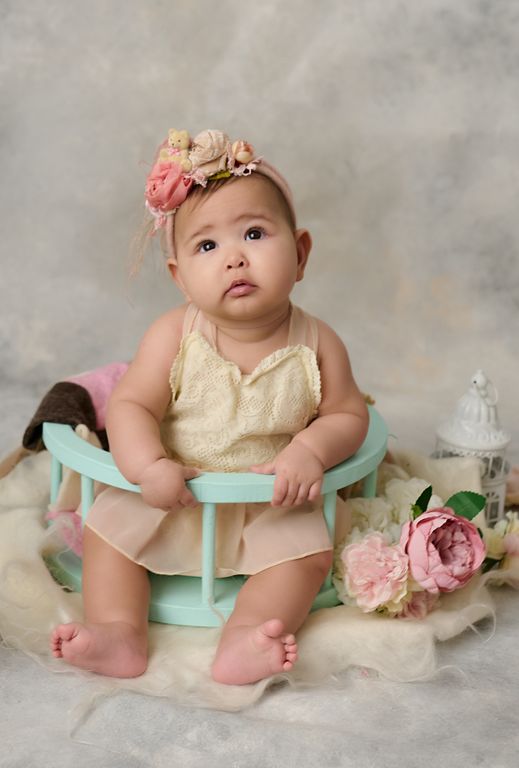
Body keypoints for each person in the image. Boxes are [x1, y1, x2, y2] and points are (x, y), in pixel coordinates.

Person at [50, 129, 369, 685]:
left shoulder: (319, 344)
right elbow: (130, 405)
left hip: (268, 502)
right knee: (108, 529)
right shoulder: (174, 334)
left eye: (254, 233)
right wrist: (148, 465)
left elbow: (348, 415)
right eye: (207, 246)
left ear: (300, 254)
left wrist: (310, 449)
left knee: (306, 553)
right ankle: (118, 631)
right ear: (180, 277)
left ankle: (246, 636)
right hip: (177, 493)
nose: (234, 258)